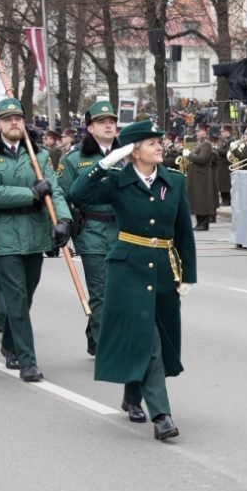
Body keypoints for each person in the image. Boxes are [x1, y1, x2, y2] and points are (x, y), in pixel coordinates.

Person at [67, 117, 198, 440]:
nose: (160, 146)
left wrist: (188, 276)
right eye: (152, 143)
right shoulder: (117, 181)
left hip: (165, 268)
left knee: (156, 336)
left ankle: (131, 395)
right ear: (134, 150)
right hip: (128, 269)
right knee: (148, 337)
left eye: (160, 142)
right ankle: (162, 416)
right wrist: (107, 161)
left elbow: (184, 232)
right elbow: (78, 192)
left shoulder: (174, 181)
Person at [0, 98, 73, 381]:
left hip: (35, 230)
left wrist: (64, 220)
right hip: (4, 233)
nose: (14, 122)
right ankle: (27, 361)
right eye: (7, 119)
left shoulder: (39, 155)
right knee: (15, 297)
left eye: (18, 117)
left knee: (26, 295)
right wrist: (31, 193)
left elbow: (53, 189)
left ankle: (8, 343)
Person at [57, 100, 121, 358]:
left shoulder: (130, 154)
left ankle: (94, 337)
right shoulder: (75, 159)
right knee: (101, 291)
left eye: (111, 121)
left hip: (123, 230)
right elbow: (60, 194)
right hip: (91, 229)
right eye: (101, 122)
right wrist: (63, 224)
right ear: (90, 128)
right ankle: (107, 345)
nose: (108, 126)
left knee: (118, 291)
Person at [184, 122, 220, 231]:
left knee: (202, 200)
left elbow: (202, 159)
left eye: (198, 131)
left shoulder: (207, 144)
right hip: (196, 175)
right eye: (196, 131)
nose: (196, 133)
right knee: (197, 200)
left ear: (204, 131)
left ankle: (204, 223)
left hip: (202, 175)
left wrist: (189, 155)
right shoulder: (199, 143)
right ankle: (199, 222)